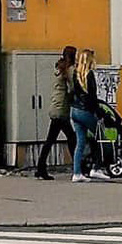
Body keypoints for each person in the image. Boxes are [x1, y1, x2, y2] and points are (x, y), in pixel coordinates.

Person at [33, 46, 78, 180]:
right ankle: (78, 167)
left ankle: (41, 168)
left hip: (55, 107)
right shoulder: (69, 70)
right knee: (71, 138)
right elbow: (72, 88)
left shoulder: (59, 67)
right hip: (61, 109)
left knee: (52, 140)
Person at [66, 48, 107, 182]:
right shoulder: (89, 75)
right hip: (85, 112)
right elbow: (92, 97)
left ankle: (77, 173)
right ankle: (97, 168)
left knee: (81, 142)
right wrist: (99, 112)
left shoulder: (76, 75)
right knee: (100, 137)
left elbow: (74, 93)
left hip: (75, 111)